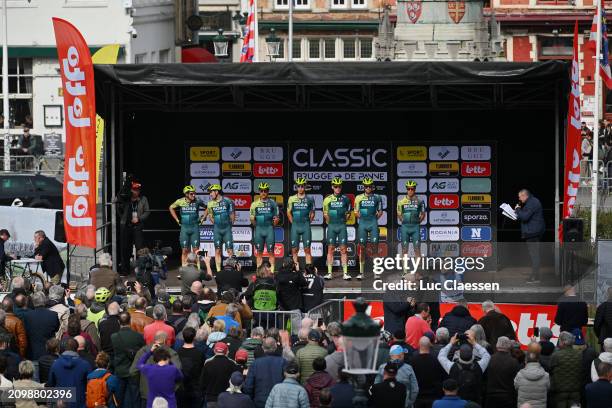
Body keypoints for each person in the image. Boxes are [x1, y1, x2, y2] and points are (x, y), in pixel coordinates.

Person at [437, 332, 491, 405]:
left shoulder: (452, 367)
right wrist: (474, 343)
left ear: (459, 355)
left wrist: (451, 343)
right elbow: (486, 355)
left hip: (458, 402)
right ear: (472, 355)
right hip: (475, 402)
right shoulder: (479, 366)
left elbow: (441, 356)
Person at [47, 338, 92, 408]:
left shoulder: (55, 364)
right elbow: (90, 387)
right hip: (80, 404)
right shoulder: (85, 365)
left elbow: (50, 385)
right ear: (77, 348)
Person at [112, 312, 145, 407]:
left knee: (119, 398)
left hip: (120, 370)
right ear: (130, 321)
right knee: (135, 397)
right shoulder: (138, 336)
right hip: (134, 371)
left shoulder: (114, 337)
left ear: (119, 322)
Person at [117, 180, 150, 275]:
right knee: (126, 248)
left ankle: (141, 269)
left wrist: (139, 219)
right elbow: (117, 204)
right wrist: (123, 218)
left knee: (140, 248)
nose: (137, 192)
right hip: (127, 226)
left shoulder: (143, 199)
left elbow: (147, 211)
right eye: (135, 190)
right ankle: (125, 270)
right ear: (131, 190)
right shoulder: (126, 198)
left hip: (138, 226)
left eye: (138, 190)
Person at [136, 342, 184, 408]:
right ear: (167, 358)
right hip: (170, 404)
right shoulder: (173, 369)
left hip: (152, 404)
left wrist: (150, 352)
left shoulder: (149, 368)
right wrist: (171, 362)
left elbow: (139, 364)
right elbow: (180, 377)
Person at [244, 337, 287, 408]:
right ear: (276, 347)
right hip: (278, 402)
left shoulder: (255, 363)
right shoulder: (283, 362)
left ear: (263, 348)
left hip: (259, 402)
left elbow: (248, 387)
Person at [169, 185, 206, 267]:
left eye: (194, 194)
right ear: (186, 194)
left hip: (194, 228)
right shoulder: (180, 201)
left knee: (196, 250)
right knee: (185, 250)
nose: (194, 195)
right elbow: (171, 207)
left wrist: (203, 217)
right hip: (184, 229)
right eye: (191, 194)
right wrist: (177, 220)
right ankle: (184, 270)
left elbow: (207, 208)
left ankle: (198, 270)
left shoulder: (197, 201)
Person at [322, 178, 352, 280]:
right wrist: (331, 222)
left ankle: (345, 273)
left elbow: (348, 213)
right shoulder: (327, 199)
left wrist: (343, 220)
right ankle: (329, 273)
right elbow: (325, 214)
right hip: (332, 227)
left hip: (342, 226)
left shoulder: (346, 199)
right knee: (330, 249)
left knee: (343, 250)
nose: (337, 188)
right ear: (332, 187)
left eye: (339, 186)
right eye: (335, 186)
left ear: (341, 187)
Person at [514, 189, 545, 284]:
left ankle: (535, 277)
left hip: (533, 232)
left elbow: (525, 217)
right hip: (533, 231)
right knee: (534, 254)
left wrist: (517, 209)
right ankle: (536, 275)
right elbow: (525, 215)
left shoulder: (532, 203)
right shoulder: (532, 201)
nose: (519, 199)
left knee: (534, 255)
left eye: (520, 197)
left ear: (524, 196)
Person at [354, 177, 383, 279]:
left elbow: (380, 211)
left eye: (369, 186)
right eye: (366, 186)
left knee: (375, 248)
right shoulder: (358, 198)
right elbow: (356, 212)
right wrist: (362, 218)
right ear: (364, 187)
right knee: (362, 248)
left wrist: (374, 219)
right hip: (362, 224)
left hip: (373, 224)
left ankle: (376, 272)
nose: (368, 188)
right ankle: (362, 272)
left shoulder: (377, 197)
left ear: (372, 187)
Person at [205, 183, 236, 271]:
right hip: (217, 230)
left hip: (227, 230)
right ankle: (218, 271)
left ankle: (232, 269)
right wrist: (218, 224)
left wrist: (229, 225)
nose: (210, 194)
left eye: (211, 192)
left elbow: (232, 214)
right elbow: (211, 216)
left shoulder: (228, 201)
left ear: (217, 191)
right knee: (217, 250)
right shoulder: (210, 203)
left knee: (230, 251)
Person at [250, 182, 280, 271]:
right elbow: (252, 219)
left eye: (265, 191)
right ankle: (258, 273)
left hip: (269, 230)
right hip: (259, 230)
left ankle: (272, 272)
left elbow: (276, 219)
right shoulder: (254, 204)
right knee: (259, 253)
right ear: (259, 192)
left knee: (271, 252)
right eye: (261, 191)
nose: (263, 193)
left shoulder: (273, 203)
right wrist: (257, 226)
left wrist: (272, 225)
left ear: (268, 192)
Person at [200, 341, 240, 408]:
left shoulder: (208, 363)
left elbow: (202, 383)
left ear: (214, 351)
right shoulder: (232, 364)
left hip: (211, 399)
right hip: (227, 398)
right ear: (226, 351)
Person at [23, 291, 59, 361]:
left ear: (33, 302)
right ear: (44, 301)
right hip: (47, 353)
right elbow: (56, 329)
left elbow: (25, 331)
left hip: (33, 353)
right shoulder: (53, 315)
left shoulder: (27, 316)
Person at [485, 336, 520, 408]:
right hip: (508, 398)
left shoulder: (490, 359)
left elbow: (485, 377)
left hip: (491, 398)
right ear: (509, 346)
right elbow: (517, 381)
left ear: (497, 345)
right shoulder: (513, 362)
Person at [287, 178, 315, 267]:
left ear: (305, 187)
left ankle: (309, 271)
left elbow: (313, 213)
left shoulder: (310, 198)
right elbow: (288, 212)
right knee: (294, 250)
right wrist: (293, 223)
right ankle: (296, 270)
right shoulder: (291, 198)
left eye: (302, 186)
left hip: (305, 226)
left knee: (307, 249)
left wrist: (307, 222)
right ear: (296, 187)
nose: (300, 188)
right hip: (295, 226)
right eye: (298, 186)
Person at [550, 332, 583, 407]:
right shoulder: (579, 354)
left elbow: (550, 370)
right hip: (575, 390)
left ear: (563, 342)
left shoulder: (556, 355)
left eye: (559, 340)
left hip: (560, 391)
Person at [410, 336, 444, 408]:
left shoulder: (413, 360)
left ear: (419, 345)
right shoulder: (436, 360)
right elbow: (441, 377)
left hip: (418, 395)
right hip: (433, 395)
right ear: (430, 345)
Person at [397, 180, 426, 262]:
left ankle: (417, 272)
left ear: (415, 189)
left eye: (412, 189)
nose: (410, 191)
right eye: (408, 189)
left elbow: (423, 214)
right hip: (405, 228)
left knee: (417, 250)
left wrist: (417, 222)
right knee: (404, 250)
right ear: (406, 189)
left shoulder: (420, 201)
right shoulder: (401, 201)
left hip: (415, 228)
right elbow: (399, 214)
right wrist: (404, 220)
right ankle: (405, 271)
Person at [177, 327, 205, 408]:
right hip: (195, 388)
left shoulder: (177, 352)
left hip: (181, 388)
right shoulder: (199, 354)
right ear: (194, 337)